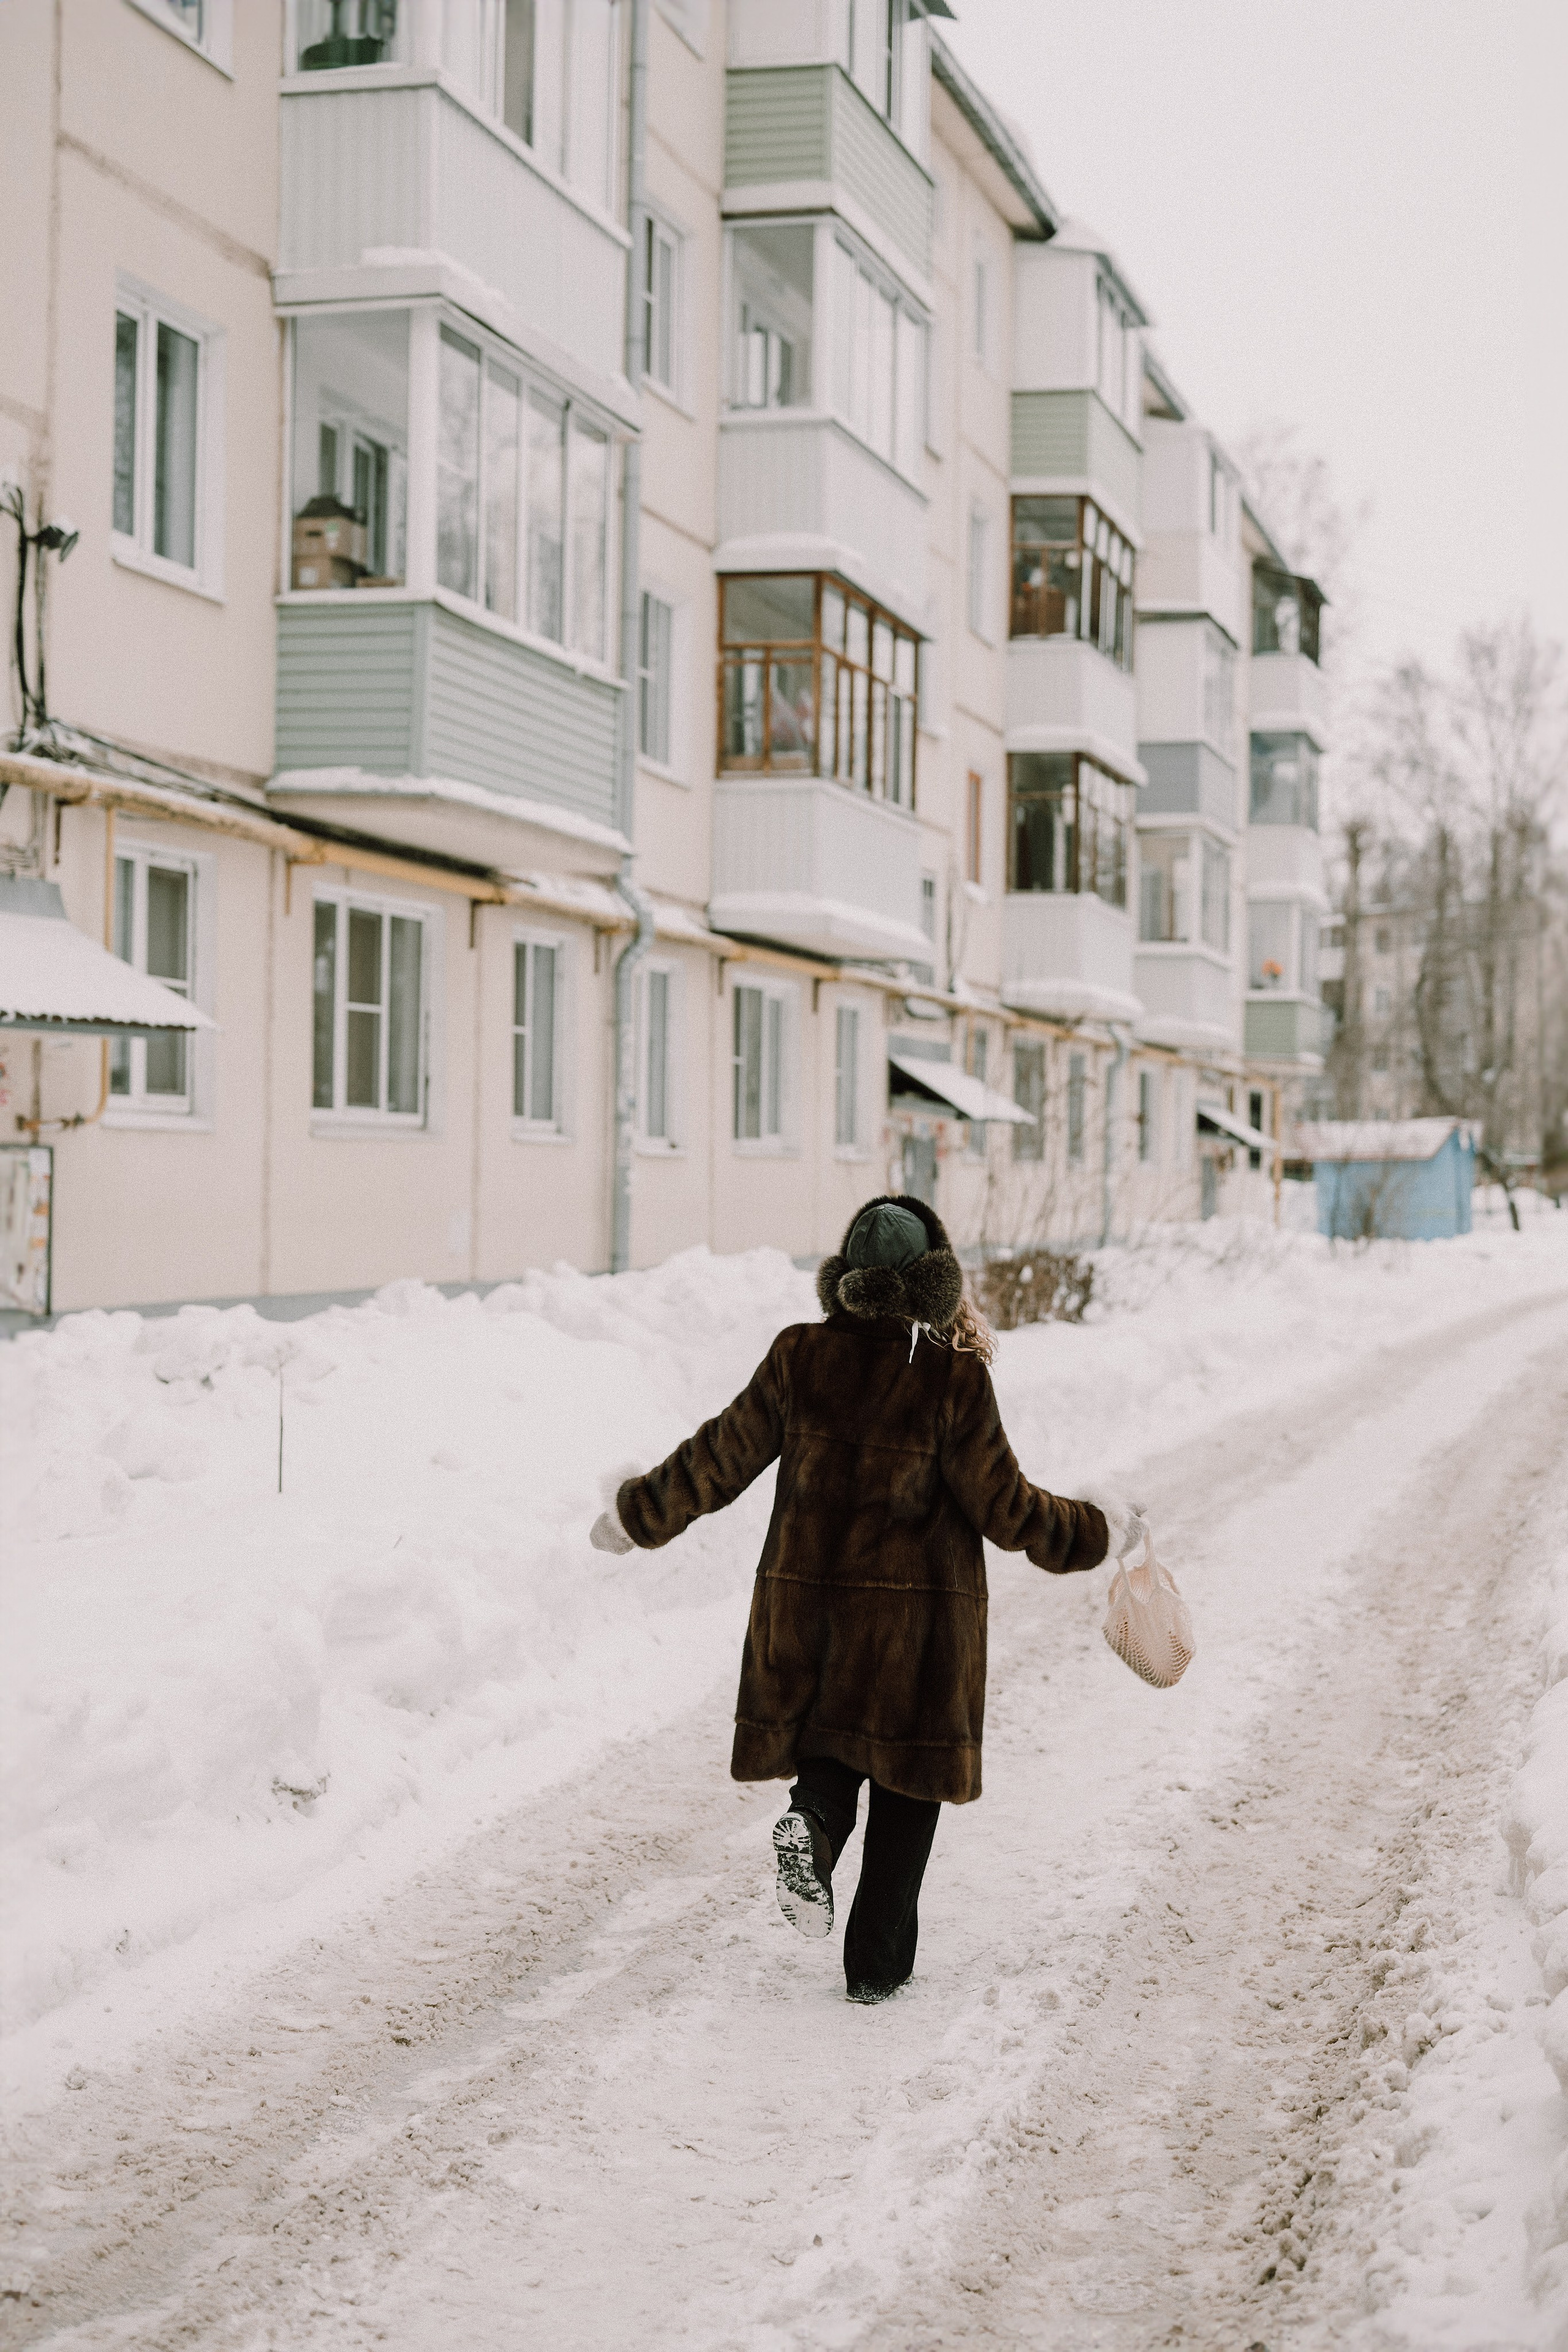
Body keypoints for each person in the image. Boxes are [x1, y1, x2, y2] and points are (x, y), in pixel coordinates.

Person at [589, 1195, 1148, 2005]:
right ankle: (875, 1969)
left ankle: (813, 1825)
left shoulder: (799, 1356)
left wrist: (635, 1514)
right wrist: (1101, 1529)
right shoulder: (952, 1377)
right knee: (908, 1787)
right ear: (934, 1279)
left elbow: (720, 1455)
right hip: (917, 1635)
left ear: (848, 1278)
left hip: (809, 1620)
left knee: (830, 1749)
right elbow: (1009, 1509)